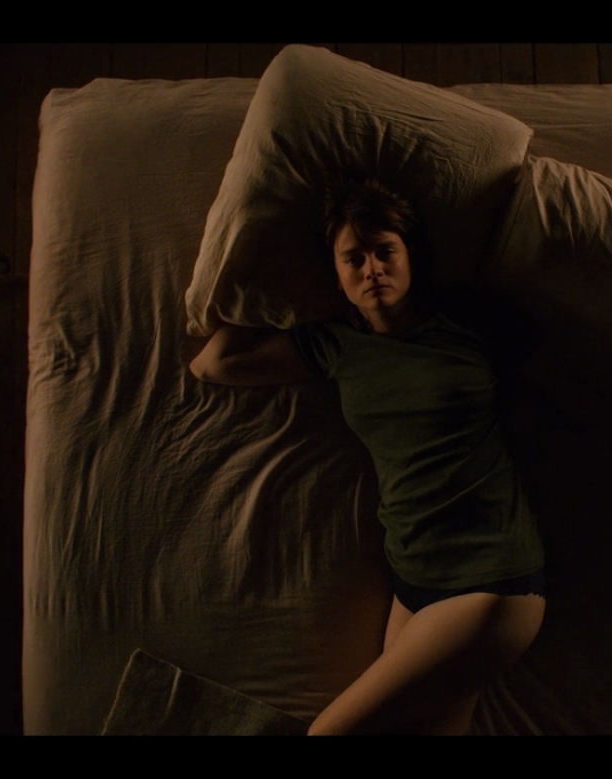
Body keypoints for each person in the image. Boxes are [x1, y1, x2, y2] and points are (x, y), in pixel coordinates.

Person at [188, 177, 546, 735]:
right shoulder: (334, 343)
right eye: (353, 258)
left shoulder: (467, 323)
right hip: (413, 583)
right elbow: (212, 365)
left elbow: (557, 387)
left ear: (410, 256)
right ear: (335, 275)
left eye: (384, 251)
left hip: (493, 584)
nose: (372, 268)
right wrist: (267, 286)